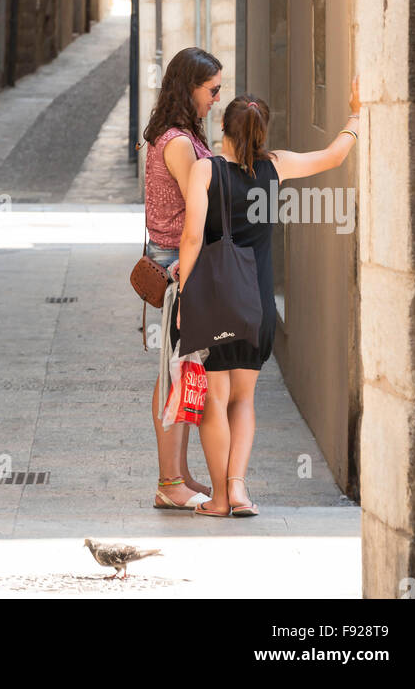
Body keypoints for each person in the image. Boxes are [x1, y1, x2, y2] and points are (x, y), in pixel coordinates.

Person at [178, 79, 360, 516]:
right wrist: (357, 112)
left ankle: (219, 500)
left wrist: (185, 298)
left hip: (216, 300)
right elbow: (334, 154)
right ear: (263, 132)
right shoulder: (276, 167)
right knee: (244, 399)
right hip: (257, 302)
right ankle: (238, 490)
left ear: (224, 126)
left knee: (213, 402)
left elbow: (190, 237)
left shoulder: (206, 170)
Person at [143, 47, 222, 509]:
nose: (216, 98)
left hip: (177, 256)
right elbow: (202, 202)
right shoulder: (177, 141)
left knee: (182, 366)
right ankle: (169, 483)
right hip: (179, 261)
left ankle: (179, 474)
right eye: (211, 90)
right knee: (173, 372)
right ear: (189, 88)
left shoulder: (174, 134)